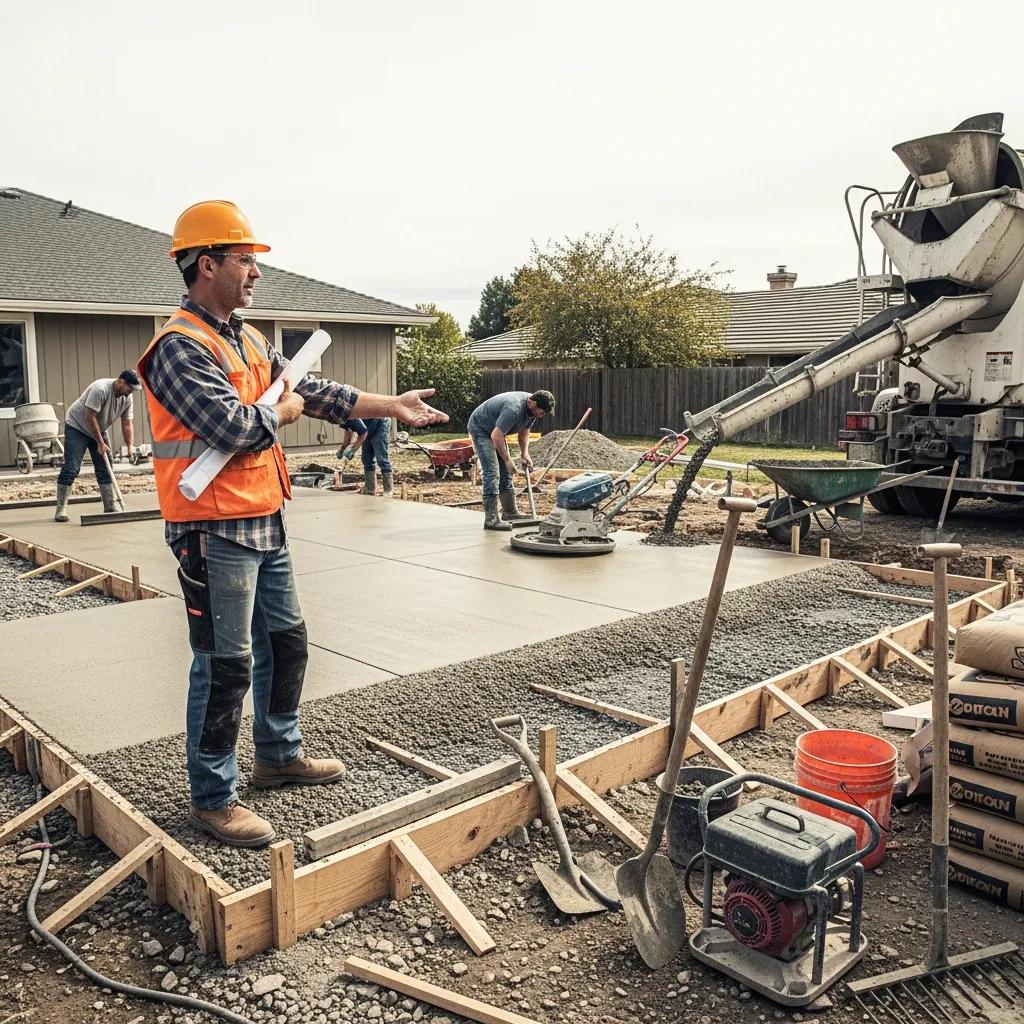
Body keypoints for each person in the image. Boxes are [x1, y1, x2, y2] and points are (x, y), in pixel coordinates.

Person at [137, 199, 447, 847]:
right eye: (245, 259)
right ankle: (213, 797)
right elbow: (236, 426)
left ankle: (278, 756)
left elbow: (319, 391)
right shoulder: (178, 349)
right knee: (224, 664)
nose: (255, 272)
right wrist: (286, 409)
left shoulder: (246, 337)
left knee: (286, 643)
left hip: (264, 520)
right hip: (211, 529)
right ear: (205, 263)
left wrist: (390, 405)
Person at [54, 370, 142, 522]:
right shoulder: (100, 389)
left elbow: (127, 423)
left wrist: (130, 446)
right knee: (72, 467)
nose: (131, 392)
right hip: (77, 426)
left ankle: (110, 506)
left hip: (99, 428)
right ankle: (60, 510)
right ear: (120, 382)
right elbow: (89, 417)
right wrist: (100, 443)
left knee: (106, 468)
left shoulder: (127, 398)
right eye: (130, 388)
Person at [467, 390, 554, 530]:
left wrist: (525, 454)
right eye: (542, 413)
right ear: (532, 403)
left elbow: (524, 431)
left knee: (505, 473)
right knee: (492, 472)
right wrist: (507, 460)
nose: (542, 416)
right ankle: (491, 519)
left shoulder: (532, 411)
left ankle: (510, 512)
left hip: (496, 432)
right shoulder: (513, 409)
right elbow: (496, 436)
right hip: (481, 429)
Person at [359, 418, 393, 497]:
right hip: (366, 428)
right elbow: (349, 432)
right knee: (366, 459)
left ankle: (388, 490)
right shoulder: (351, 418)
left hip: (381, 426)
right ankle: (370, 489)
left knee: (382, 459)